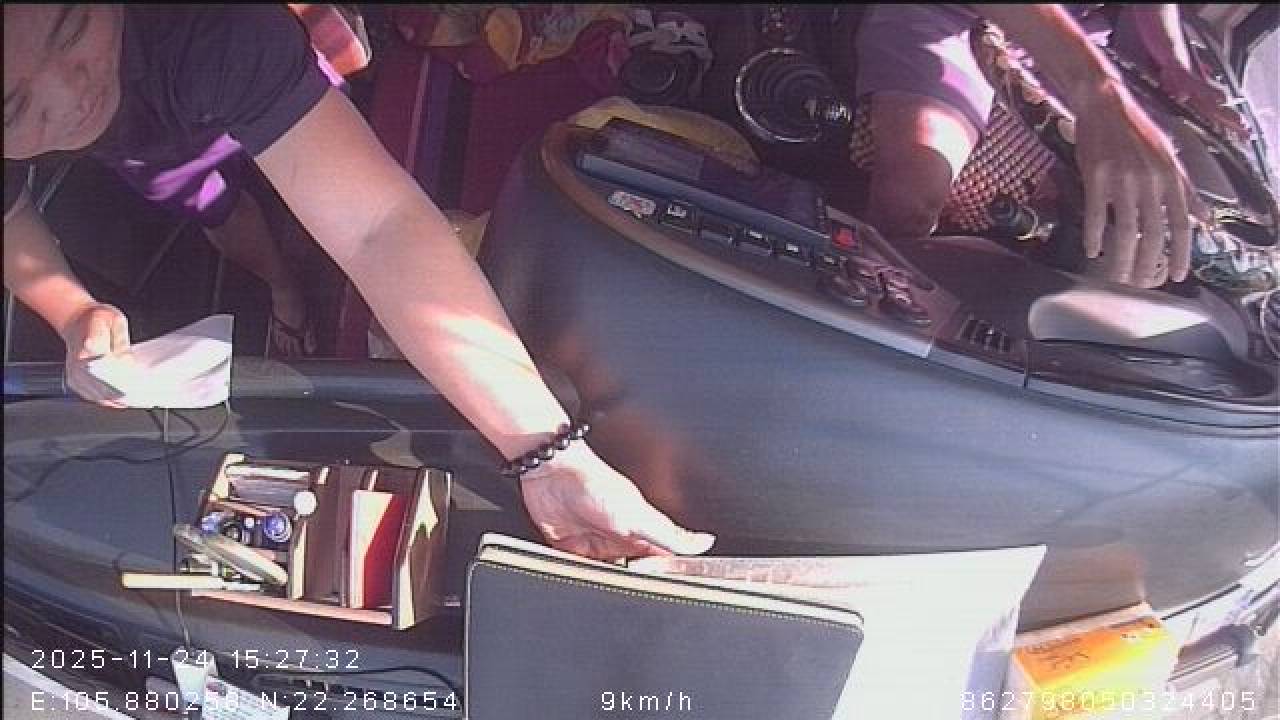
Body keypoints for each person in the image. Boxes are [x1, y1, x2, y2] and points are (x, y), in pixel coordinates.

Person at [2, 4, 714, 561]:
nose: (70, 91)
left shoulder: (211, 28)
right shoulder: (90, 94)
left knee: (303, 126)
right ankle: (283, 285)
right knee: (212, 206)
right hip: (148, 143)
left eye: (72, 27)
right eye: (12, 105)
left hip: (200, 63)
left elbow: (377, 228)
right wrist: (72, 311)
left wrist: (548, 455)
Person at [850, 4, 1248, 290]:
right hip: (952, 16)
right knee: (911, 192)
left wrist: (1175, 64)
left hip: (1079, 39)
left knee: (1130, 222)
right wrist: (1100, 99)